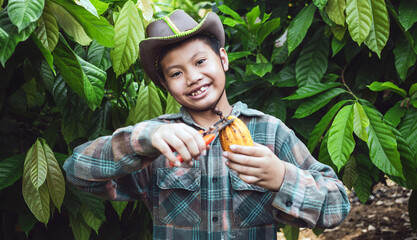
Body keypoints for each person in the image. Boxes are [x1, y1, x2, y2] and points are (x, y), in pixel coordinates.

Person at [63, 9, 350, 239]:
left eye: (200, 61)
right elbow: (76, 173)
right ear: (164, 84)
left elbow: (337, 206)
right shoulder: (157, 142)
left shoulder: (269, 131)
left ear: (222, 58)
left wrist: (281, 176)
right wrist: (143, 138)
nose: (192, 77)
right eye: (176, 73)